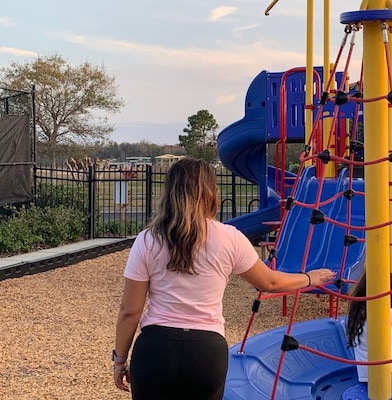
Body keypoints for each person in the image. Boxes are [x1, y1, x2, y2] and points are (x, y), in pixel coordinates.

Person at [112, 158, 336, 400]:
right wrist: (309, 279)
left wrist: (119, 359)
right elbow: (269, 283)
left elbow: (130, 311)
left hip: (156, 348)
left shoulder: (148, 240)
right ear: (210, 192)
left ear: (170, 191)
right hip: (206, 352)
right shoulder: (230, 237)